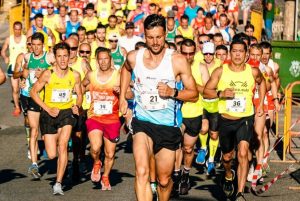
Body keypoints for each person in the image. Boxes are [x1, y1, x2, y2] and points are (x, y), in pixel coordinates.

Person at [119, 14, 198, 201]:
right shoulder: (134, 57)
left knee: (164, 180)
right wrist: (123, 97)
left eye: (159, 37)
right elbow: (125, 69)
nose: (155, 42)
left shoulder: (177, 61)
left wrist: (173, 92)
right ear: (144, 36)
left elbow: (194, 94)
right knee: (142, 171)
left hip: (167, 126)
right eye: (150, 37)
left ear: (165, 35)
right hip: (142, 123)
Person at [203, 40, 266, 200]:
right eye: (235, 51)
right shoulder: (220, 71)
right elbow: (206, 92)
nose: (237, 54)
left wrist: (260, 104)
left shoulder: (253, 71)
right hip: (225, 119)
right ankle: (229, 174)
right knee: (227, 157)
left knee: (243, 153)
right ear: (230, 53)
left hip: (245, 118)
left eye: (241, 51)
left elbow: (262, 82)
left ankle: (239, 193)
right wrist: (221, 94)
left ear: (246, 55)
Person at [30, 42, 82, 195]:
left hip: (66, 112)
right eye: (59, 56)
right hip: (49, 114)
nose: (63, 59)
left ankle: (58, 183)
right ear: (55, 57)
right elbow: (34, 92)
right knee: (52, 154)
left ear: (69, 56)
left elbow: (79, 95)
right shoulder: (48, 74)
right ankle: (62, 163)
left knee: (63, 145)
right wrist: (47, 108)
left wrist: (77, 106)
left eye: (65, 56)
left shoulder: (75, 75)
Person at [82, 47, 121, 190]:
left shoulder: (118, 76)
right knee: (95, 146)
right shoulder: (91, 75)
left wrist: (121, 90)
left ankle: (106, 176)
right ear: (97, 61)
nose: (103, 62)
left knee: (110, 154)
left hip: (112, 119)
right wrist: (81, 94)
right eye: (101, 59)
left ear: (110, 60)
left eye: (106, 59)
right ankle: (97, 162)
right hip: (95, 117)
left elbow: (130, 95)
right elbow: (81, 86)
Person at [178, 39, 209, 195]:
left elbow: (208, 91)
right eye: (184, 53)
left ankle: (185, 174)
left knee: (188, 149)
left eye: (191, 53)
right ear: (180, 51)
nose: (188, 56)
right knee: (174, 146)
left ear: (195, 52)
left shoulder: (201, 67)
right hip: (176, 113)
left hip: (195, 113)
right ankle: (174, 175)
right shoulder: (173, 65)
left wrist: (191, 85)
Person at [22, 32, 55, 179]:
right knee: (34, 130)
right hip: (33, 98)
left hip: (48, 100)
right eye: (33, 45)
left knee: (51, 133)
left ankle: (58, 156)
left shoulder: (49, 57)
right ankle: (34, 164)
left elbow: (59, 73)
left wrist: (46, 73)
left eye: (38, 45)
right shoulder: (27, 57)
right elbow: (24, 72)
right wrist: (24, 80)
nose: (36, 48)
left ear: (43, 45)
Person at [13, 36, 33, 158]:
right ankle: (30, 144)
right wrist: (23, 72)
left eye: (34, 44)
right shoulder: (22, 57)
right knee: (28, 120)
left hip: (41, 93)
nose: (32, 46)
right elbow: (15, 75)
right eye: (29, 44)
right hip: (25, 93)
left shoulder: (44, 58)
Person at [1, 21, 27, 116]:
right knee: (15, 89)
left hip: (24, 66)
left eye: (19, 29)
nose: (17, 31)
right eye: (15, 29)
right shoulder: (9, 39)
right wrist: (5, 57)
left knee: (25, 88)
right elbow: (3, 51)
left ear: (21, 29)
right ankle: (17, 107)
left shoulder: (25, 38)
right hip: (13, 66)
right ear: (13, 29)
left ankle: (26, 105)